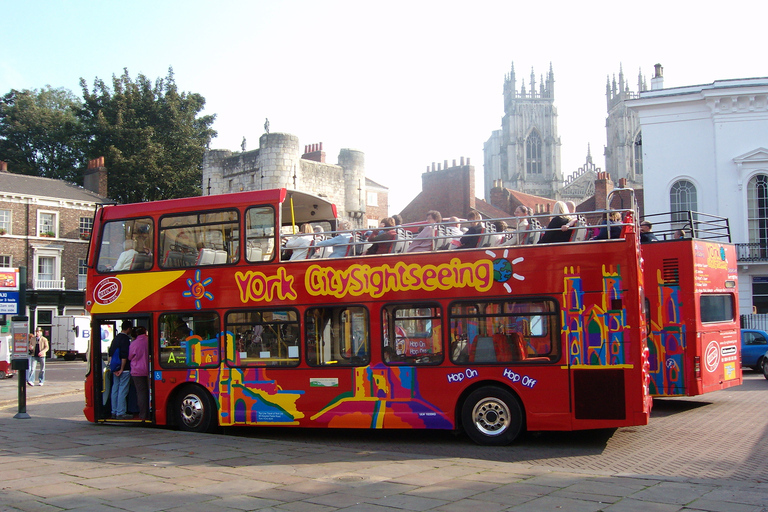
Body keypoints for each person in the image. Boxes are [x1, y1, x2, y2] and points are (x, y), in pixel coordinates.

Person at [109, 320, 133, 419]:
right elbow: (124, 356)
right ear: (128, 329)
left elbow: (111, 354)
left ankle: (113, 411)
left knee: (115, 389)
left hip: (115, 368)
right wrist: (122, 369)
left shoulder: (116, 338)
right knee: (123, 390)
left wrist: (114, 368)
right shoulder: (125, 340)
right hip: (124, 369)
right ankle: (121, 412)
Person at [128, 326, 149, 421]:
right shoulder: (150, 340)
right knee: (149, 392)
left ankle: (143, 414)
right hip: (149, 370)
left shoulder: (134, 343)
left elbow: (129, 357)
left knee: (141, 393)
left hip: (137, 371)